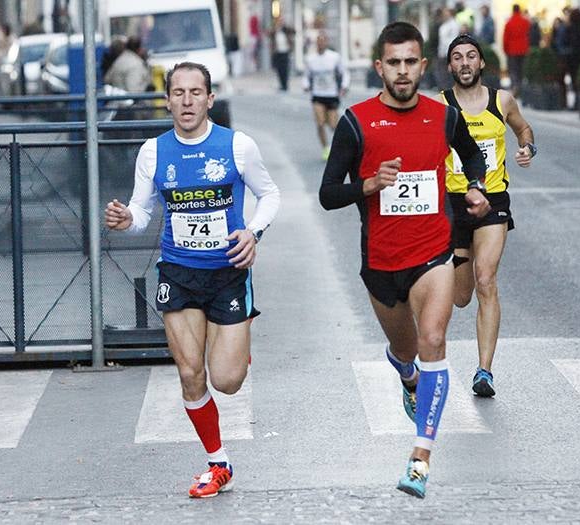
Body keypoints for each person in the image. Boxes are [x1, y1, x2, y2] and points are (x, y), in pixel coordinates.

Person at [319, 22, 489, 499]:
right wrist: (369, 185)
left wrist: (474, 187)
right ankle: (406, 373)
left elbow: (473, 159)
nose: (402, 71)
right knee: (409, 350)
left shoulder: (443, 116)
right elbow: (328, 194)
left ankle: (420, 459)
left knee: (435, 338)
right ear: (380, 67)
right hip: (381, 263)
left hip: (434, 252)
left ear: (422, 65)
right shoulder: (356, 120)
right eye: (393, 62)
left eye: (410, 62)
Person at [104, 62, 281, 498]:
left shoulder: (237, 146)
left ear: (209, 99)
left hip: (228, 272)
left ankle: (237, 346)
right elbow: (142, 212)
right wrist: (127, 219)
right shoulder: (153, 152)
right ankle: (218, 463)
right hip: (178, 272)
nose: (186, 101)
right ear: (167, 100)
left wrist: (252, 233)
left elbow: (270, 194)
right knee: (189, 374)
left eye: (194, 92)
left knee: (227, 380)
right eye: (178, 93)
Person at [440, 34, 534, 398]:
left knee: (486, 278)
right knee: (461, 295)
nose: (465, 63)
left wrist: (527, 145)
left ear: (482, 64)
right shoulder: (440, 106)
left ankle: (484, 371)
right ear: (450, 66)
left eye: (471, 57)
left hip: (494, 201)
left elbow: (523, 128)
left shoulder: (502, 101)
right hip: (454, 203)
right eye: (458, 57)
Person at [302, 31, 350, 161]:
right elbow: (306, 75)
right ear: (316, 43)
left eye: (323, 40)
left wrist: (344, 86)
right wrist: (306, 85)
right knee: (320, 123)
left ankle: (339, 146)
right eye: (319, 40)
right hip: (318, 94)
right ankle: (326, 148)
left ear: (327, 42)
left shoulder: (334, 57)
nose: (321, 43)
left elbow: (344, 72)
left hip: (332, 94)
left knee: (333, 125)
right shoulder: (310, 59)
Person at [503, 4, 530, 97]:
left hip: (512, 50)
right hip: (523, 49)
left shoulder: (509, 22)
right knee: (521, 70)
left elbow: (505, 38)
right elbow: (528, 35)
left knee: (513, 70)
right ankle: (521, 88)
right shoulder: (525, 22)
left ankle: (515, 87)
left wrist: (505, 50)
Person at [269, 17, 295, 91]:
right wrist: (275, 28)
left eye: (281, 22)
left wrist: (285, 26)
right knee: (279, 69)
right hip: (277, 53)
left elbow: (293, 31)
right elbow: (269, 34)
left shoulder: (286, 30)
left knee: (285, 69)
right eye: (278, 22)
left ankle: (285, 84)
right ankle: (281, 84)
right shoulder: (275, 31)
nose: (279, 23)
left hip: (285, 52)